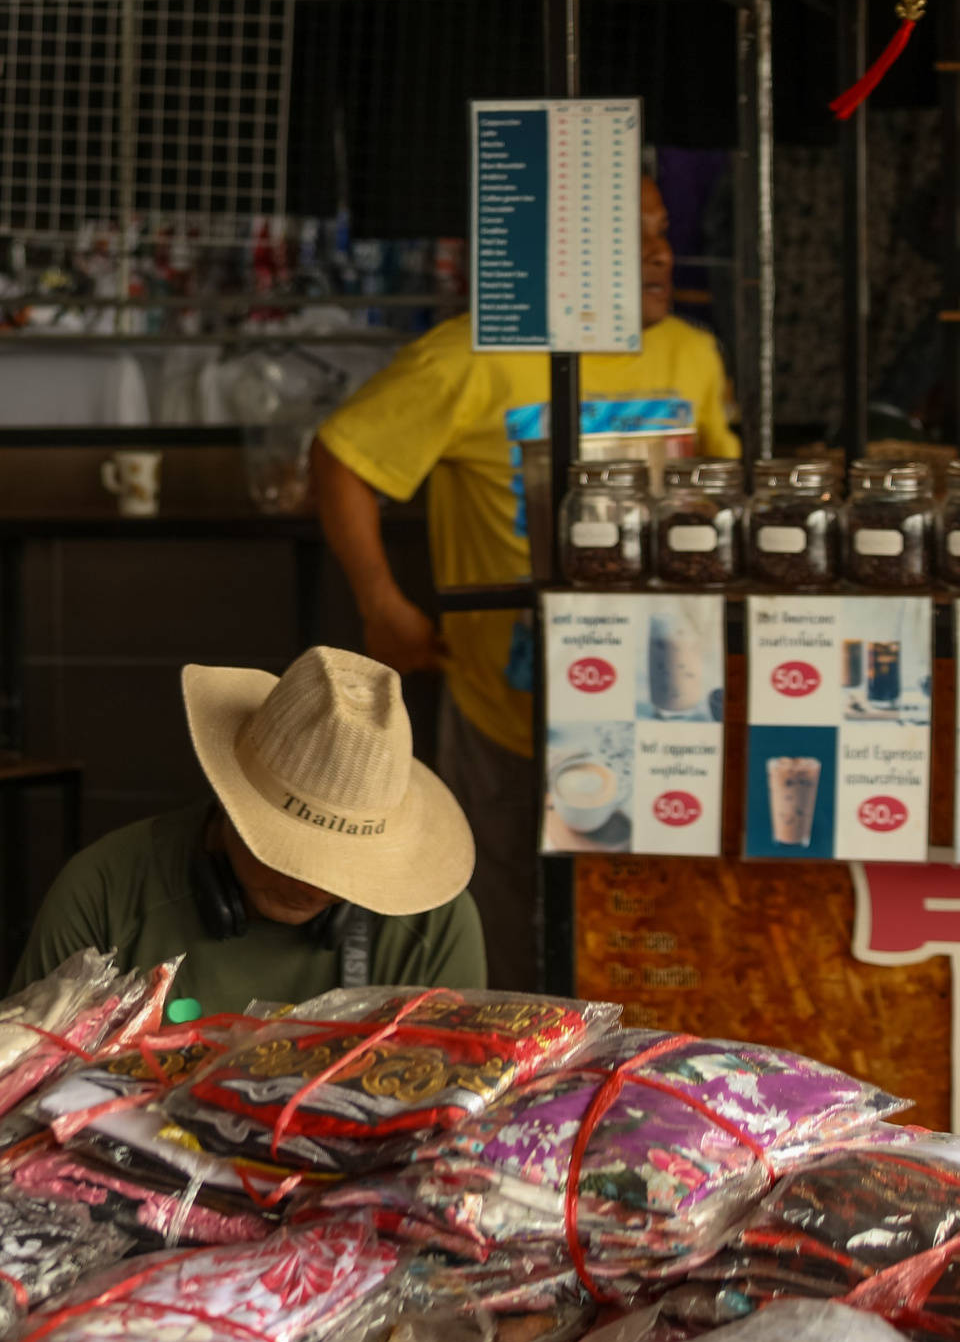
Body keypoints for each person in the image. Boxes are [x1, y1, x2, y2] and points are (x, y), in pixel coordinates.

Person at [310, 172, 735, 990]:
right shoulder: (471, 358)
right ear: (561, 262)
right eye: (632, 237)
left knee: (646, 945)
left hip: (661, 706)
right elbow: (341, 457)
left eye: (662, 229)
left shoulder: (691, 352)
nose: (660, 252)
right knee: (499, 939)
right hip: (505, 710)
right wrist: (382, 603)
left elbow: (718, 485)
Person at [14, 646, 484, 1015]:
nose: (315, 882)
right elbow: (23, 1090)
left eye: (345, 863)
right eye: (289, 850)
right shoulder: (103, 895)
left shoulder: (435, 925)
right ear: (229, 798)